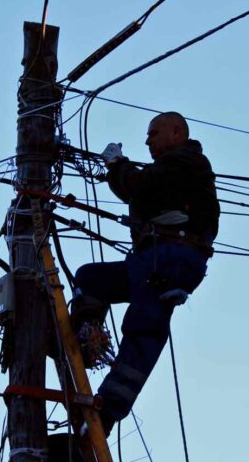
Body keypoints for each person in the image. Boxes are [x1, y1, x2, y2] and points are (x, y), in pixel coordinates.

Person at [72, 111, 220, 436]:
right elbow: (139, 190)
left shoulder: (187, 161)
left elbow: (139, 187)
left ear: (177, 132)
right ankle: (88, 340)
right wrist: (120, 170)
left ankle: (107, 410)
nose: (147, 140)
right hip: (153, 259)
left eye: (153, 133)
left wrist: (118, 165)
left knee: (144, 329)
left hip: (170, 258)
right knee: (90, 279)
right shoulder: (173, 169)